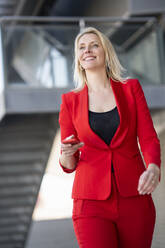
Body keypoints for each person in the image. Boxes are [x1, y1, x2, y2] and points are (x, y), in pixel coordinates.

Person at [58, 27, 161, 248]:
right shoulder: (69, 101)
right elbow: (68, 164)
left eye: (94, 45)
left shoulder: (131, 89)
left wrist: (153, 167)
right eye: (82, 47)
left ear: (105, 52)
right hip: (90, 201)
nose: (88, 50)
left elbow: (148, 137)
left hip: (134, 197)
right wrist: (67, 155)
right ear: (77, 57)